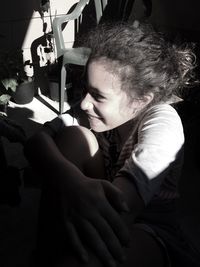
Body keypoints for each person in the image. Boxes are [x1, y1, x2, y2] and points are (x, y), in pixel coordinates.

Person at [24, 22, 200, 267]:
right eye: (87, 89)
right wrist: (71, 182)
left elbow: (121, 209)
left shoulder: (163, 123)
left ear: (140, 101)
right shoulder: (93, 113)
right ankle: (46, 251)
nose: (84, 103)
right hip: (102, 192)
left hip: (148, 228)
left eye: (98, 96)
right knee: (74, 137)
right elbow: (36, 141)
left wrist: (73, 193)